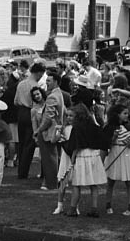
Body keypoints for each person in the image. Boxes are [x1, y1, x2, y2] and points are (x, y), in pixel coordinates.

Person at [64, 87, 111, 217]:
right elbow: (102, 140)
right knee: (93, 184)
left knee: (77, 184)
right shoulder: (93, 126)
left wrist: (72, 159)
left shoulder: (77, 129)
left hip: (82, 157)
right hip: (94, 156)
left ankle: (72, 209)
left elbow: (75, 147)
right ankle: (94, 208)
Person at [34, 69, 65, 191]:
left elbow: (48, 118)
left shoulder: (52, 96)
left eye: (49, 81)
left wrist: (39, 130)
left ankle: (51, 183)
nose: (47, 83)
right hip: (56, 129)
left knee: (49, 158)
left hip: (49, 131)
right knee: (54, 156)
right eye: (46, 80)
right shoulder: (59, 94)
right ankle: (52, 181)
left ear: (56, 82)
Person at [104, 103, 130, 216]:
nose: (127, 116)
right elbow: (106, 143)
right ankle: (108, 205)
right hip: (114, 153)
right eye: (124, 113)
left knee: (128, 182)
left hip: (126, 154)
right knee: (110, 181)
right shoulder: (110, 126)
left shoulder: (129, 126)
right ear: (117, 114)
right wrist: (113, 137)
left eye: (127, 113)